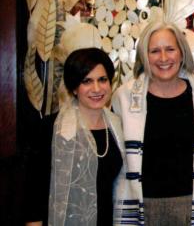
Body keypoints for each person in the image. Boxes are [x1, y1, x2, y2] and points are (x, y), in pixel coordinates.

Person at [112, 20, 194, 225]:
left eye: (170, 49)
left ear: (182, 52)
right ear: (144, 56)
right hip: (140, 207)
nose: (164, 58)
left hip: (190, 207)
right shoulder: (124, 97)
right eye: (155, 51)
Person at [24, 47, 128, 226]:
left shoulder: (117, 125)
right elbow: (35, 190)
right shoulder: (53, 128)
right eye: (86, 81)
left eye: (102, 80)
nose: (96, 88)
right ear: (73, 88)